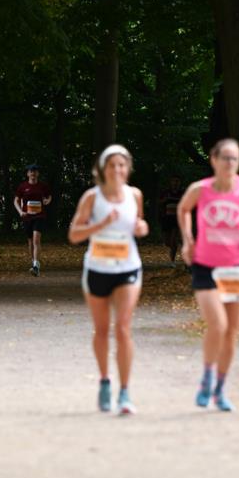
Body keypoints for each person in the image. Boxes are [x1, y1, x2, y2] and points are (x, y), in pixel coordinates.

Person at [177, 138, 239, 412]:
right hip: (206, 266)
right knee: (218, 325)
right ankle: (206, 378)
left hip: (237, 268)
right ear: (213, 159)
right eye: (225, 157)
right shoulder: (199, 189)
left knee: (231, 332)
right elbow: (182, 209)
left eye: (235, 159)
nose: (230, 163)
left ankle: (220, 388)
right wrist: (188, 239)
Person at [68, 144, 148, 415]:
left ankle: (125, 392)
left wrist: (141, 227)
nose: (117, 170)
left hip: (127, 267)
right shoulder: (92, 198)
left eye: (122, 165)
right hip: (97, 268)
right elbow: (74, 235)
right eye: (112, 165)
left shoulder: (134, 194)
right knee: (102, 330)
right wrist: (100, 226)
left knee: (123, 327)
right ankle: (104, 381)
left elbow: (140, 225)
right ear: (103, 169)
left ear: (128, 169)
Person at [13, 164, 52, 275]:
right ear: (28, 174)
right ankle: (33, 262)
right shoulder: (22, 186)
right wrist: (20, 212)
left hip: (39, 216)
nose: (33, 173)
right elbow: (16, 200)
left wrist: (47, 201)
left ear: (38, 174)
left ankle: (36, 265)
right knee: (30, 242)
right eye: (31, 171)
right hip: (27, 217)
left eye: (35, 171)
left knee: (36, 240)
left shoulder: (42, 186)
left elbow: (49, 196)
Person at [158, 178, 183, 263]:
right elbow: (160, 203)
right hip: (167, 217)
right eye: (174, 181)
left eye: (177, 181)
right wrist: (164, 201)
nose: (175, 183)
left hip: (177, 218)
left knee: (173, 240)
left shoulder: (182, 193)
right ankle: (175, 245)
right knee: (167, 242)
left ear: (179, 183)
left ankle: (172, 261)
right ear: (171, 182)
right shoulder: (166, 192)